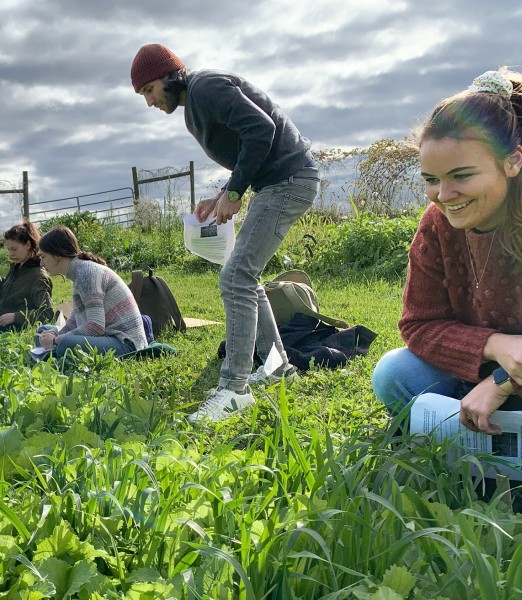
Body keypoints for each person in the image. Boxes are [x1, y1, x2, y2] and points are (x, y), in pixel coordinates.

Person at [372, 68, 522, 445]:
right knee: (394, 373)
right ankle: (491, 446)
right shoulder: (437, 225)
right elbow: (419, 324)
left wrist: (506, 382)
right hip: (480, 388)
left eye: (461, 175)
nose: (444, 195)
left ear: (512, 162)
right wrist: (496, 346)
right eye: (431, 179)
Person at [130, 43, 320, 422]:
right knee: (244, 276)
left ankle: (234, 389)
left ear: (169, 75)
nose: (149, 102)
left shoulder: (206, 87)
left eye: (148, 90)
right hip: (277, 182)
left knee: (236, 276)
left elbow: (261, 129)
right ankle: (278, 366)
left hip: (289, 180)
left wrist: (235, 193)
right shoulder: (195, 103)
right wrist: (222, 195)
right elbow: (248, 149)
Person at [35, 226, 147, 358]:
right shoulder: (79, 273)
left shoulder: (86, 274)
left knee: (65, 343)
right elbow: (74, 320)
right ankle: (55, 349)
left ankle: (55, 350)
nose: (41, 263)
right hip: (106, 335)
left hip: (126, 343)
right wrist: (54, 333)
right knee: (43, 332)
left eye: (43, 257)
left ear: (57, 255)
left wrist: (56, 340)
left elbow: (95, 327)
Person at [0, 220, 53, 331]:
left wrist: (15, 317)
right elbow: (10, 292)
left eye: (14, 249)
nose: (11, 254)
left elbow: (47, 313)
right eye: (9, 250)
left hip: (13, 329)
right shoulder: (17, 267)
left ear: (28, 245)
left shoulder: (38, 276)